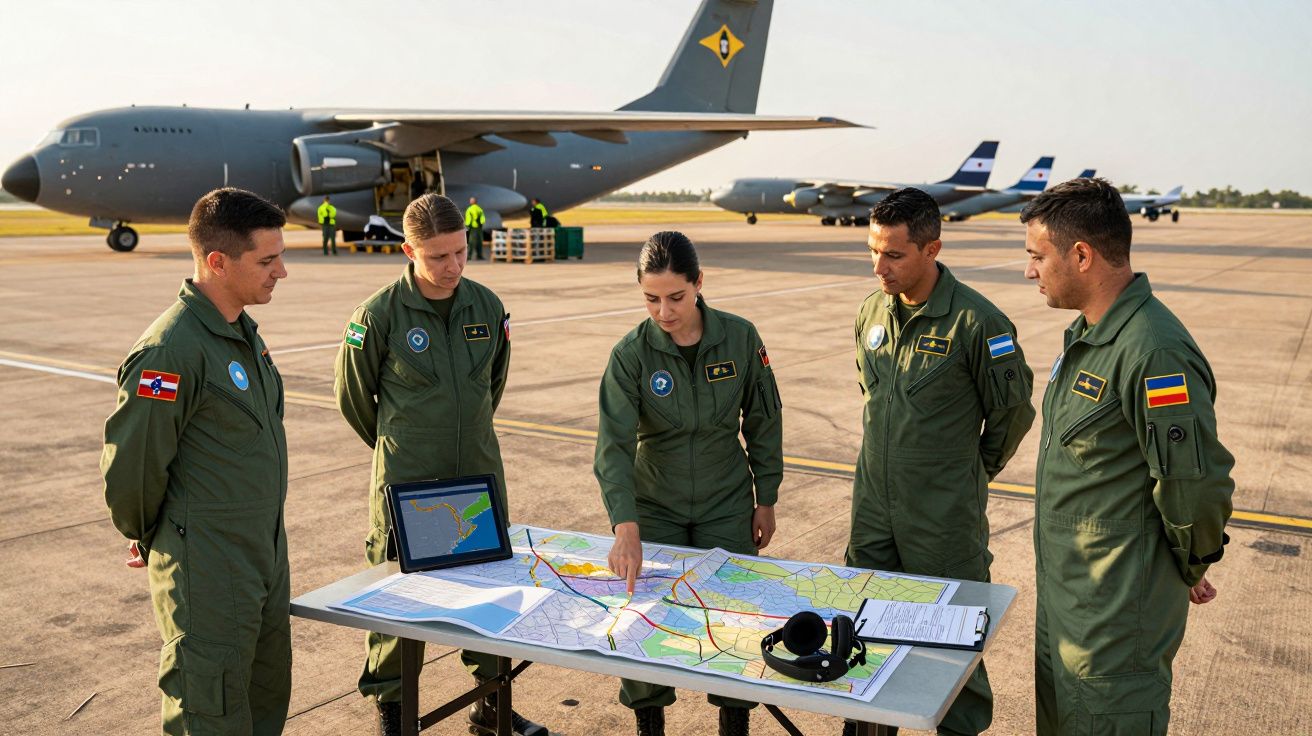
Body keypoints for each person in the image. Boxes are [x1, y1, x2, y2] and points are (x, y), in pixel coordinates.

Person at [1020, 177, 1234, 735]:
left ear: (1082, 255)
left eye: (1037, 257)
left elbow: (1196, 485)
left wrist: (1188, 563)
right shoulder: (1091, 335)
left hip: (1114, 624)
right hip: (1072, 605)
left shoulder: (1154, 351)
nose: (1029, 271)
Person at [334, 193, 547, 736]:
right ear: (408, 250)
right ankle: (393, 716)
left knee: (490, 595)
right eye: (437, 257)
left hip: (476, 477)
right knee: (397, 605)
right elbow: (356, 402)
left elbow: (490, 388)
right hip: (409, 488)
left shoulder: (487, 307)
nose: (452, 266)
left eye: (459, 252)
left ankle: (491, 705)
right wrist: (403, 447)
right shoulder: (378, 315)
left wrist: (460, 439)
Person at [846, 187, 1035, 736]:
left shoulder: (978, 324)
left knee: (951, 644)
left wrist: (968, 473)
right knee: (865, 636)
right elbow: (872, 397)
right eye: (873, 251)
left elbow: (1011, 414)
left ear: (932, 250)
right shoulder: (870, 312)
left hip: (943, 518)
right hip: (874, 511)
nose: (880, 267)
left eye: (895, 255)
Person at [101, 187, 291, 735]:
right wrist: (145, 532)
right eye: (267, 260)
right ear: (217, 262)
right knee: (210, 710)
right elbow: (134, 465)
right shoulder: (171, 350)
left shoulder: (239, 334)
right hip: (208, 565)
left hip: (262, 552)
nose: (281, 272)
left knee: (263, 696)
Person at [594, 231, 784, 736]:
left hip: (727, 502)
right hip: (655, 503)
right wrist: (625, 523)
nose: (664, 311)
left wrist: (766, 499)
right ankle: (649, 722)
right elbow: (612, 445)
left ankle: (733, 722)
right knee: (645, 616)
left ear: (699, 284)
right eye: (650, 299)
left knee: (735, 616)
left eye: (675, 297)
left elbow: (764, 420)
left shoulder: (741, 338)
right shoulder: (631, 354)